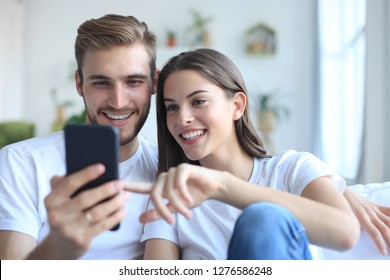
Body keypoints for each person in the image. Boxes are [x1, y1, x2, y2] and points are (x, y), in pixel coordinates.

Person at [125, 48, 361, 259]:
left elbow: (346, 233)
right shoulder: (172, 198)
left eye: (198, 101)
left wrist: (223, 187)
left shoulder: (292, 169)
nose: (182, 119)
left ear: (237, 105)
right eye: (172, 108)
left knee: (263, 219)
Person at [0, 14, 159, 259]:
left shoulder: (167, 168)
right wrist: (58, 247)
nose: (118, 102)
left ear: (154, 83)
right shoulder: (21, 162)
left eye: (133, 81)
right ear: (79, 83)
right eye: (101, 83)